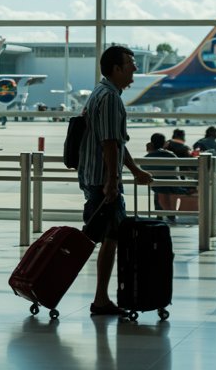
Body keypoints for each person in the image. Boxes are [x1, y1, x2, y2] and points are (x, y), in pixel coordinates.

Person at [77, 46, 154, 316]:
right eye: (130, 64)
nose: (135, 68)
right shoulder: (110, 97)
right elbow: (109, 142)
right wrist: (113, 180)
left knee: (108, 236)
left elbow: (117, 142)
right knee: (109, 238)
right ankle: (100, 299)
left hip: (95, 177)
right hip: (103, 181)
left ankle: (101, 297)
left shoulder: (101, 93)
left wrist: (134, 170)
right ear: (116, 69)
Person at [146, 132, 192, 221]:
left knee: (159, 188)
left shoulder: (149, 156)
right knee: (169, 187)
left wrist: (150, 152)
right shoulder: (171, 155)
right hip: (172, 186)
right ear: (165, 143)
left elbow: (144, 167)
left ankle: (159, 215)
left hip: (157, 186)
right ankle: (171, 215)